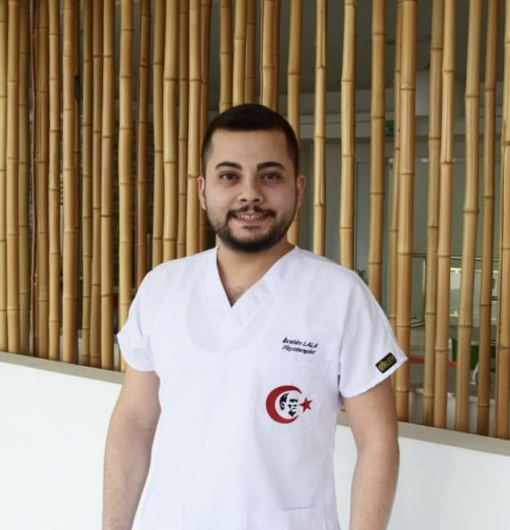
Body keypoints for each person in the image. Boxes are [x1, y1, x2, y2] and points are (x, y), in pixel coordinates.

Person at [102, 103, 407, 530]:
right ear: (203, 190)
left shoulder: (341, 296)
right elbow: (134, 422)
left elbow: (378, 442)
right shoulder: (162, 288)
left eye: (270, 176)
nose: (250, 194)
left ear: (298, 188)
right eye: (230, 176)